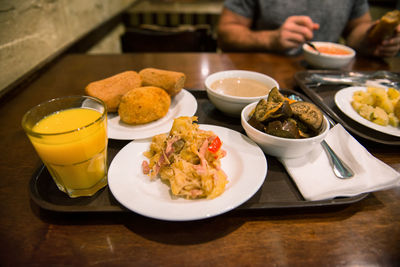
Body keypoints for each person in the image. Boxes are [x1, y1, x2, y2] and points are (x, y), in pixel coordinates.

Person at [217, 0, 400, 57]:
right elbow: (225, 33)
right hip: (265, 77)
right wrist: (270, 39)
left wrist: (373, 37)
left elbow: (357, 28)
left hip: (332, 81)